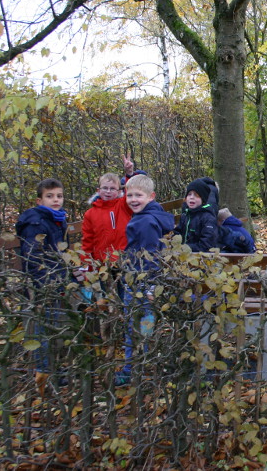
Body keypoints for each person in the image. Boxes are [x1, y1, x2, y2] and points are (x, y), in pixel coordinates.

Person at [117, 174, 174, 384]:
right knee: (144, 324)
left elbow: (151, 256)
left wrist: (150, 286)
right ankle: (144, 363)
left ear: (151, 197)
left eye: (138, 195)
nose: (133, 199)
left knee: (135, 326)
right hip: (140, 281)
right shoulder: (147, 216)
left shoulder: (146, 221)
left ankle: (132, 369)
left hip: (140, 284)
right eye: (129, 195)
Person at [16, 178, 69, 379]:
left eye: (59, 196)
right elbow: (33, 257)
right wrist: (44, 284)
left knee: (54, 324)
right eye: (50, 196)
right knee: (42, 327)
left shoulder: (57, 219)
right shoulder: (36, 223)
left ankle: (52, 367)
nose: (55, 200)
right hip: (42, 283)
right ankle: (44, 370)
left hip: (56, 279)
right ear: (39, 201)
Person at [81, 155, 142, 264]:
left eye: (112, 188)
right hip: (102, 263)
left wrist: (129, 173)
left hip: (125, 259)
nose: (108, 191)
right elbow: (87, 241)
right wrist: (87, 266)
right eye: (105, 188)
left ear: (119, 192)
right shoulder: (90, 214)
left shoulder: (123, 205)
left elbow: (131, 190)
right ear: (98, 191)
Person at [174, 178, 219, 252]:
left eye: (196, 195)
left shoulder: (208, 218)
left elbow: (207, 245)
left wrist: (184, 248)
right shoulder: (185, 214)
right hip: (184, 255)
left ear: (203, 199)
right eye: (189, 194)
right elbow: (177, 232)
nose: (192, 197)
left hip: (201, 258)